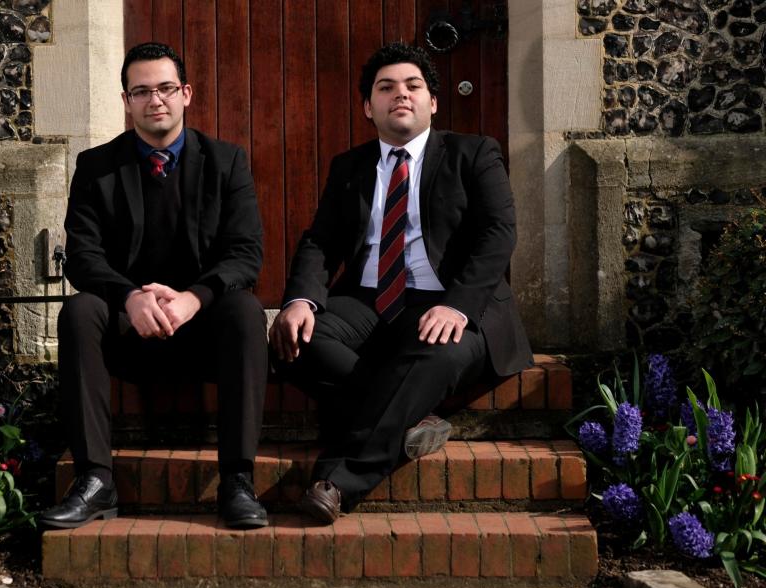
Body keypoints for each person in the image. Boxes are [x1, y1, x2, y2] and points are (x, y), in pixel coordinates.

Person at [269, 42, 533, 524]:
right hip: (368, 301)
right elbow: (320, 242)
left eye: (413, 86)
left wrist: (458, 306)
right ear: (369, 107)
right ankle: (411, 420)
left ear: (433, 101)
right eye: (386, 88)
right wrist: (302, 300)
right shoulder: (349, 166)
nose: (401, 95)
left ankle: (338, 480)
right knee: (294, 341)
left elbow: (499, 234)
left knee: (436, 353)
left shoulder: (473, 153)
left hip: (449, 304)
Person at [41, 42, 268, 530]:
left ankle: (237, 479)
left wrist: (193, 298)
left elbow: (245, 254)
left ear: (185, 93)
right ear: (126, 101)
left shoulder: (227, 162)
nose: (155, 100)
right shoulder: (97, 167)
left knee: (246, 311)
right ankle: (95, 479)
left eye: (165, 88)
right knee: (79, 310)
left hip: (204, 331)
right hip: (127, 334)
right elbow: (82, 256)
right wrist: (130, 297)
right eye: (141, 91)